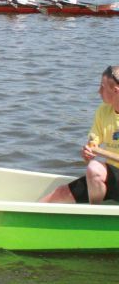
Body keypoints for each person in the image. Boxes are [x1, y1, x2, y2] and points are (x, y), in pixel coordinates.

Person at [41, 66, 119, 204]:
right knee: (61, 193)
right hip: (111, 176)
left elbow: (96, 161)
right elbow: (93, 141)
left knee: (94, 169)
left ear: (115, 91)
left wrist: (97, 157)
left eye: (102, 87)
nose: (98, 91)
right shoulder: (103, 111)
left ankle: (92, 218)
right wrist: (89, 150)